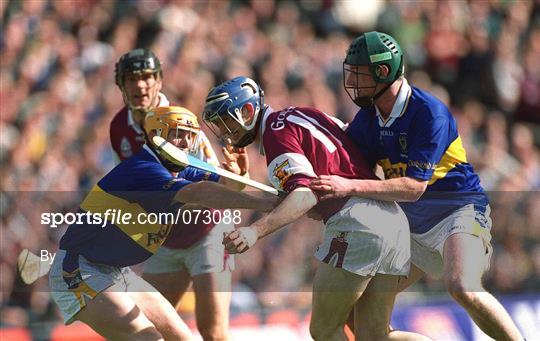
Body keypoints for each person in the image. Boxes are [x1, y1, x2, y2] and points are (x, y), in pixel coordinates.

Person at [310, 31, 523, 340]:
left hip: (458, 213)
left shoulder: (428, 113)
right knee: (365, 325)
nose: (352, 80)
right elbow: (351, 172)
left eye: (359, 72)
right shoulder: (368, 120)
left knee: (463, 286)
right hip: (407, 228)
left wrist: (346, 187)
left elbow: (413, 187)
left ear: (383, 72)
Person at [202, 76, 428, 340]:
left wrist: (254, 231)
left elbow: (305, 195)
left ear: (248, 111)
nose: (225, 132)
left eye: (227, 121)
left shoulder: (275, 133)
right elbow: (355, 151)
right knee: (373, 335)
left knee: (323, 330)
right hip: (391, 220)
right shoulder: (304, 114)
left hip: (356, 224)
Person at [49, 106, 278, 340]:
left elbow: (225, 187)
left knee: (182, 338)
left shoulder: (179, 170)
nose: (185, 142)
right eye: (178, 133)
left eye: (190, 135)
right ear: (156, 133)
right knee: (148, 337)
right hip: (80, 270)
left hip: (118, 273)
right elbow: (199, 193)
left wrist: (239, 176)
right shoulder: (145, 169)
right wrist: (266, 204)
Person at [112, 49, 237, 340]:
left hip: (207, 233)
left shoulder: (180, 120)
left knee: (213, 333)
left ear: (159, 81)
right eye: (132, 78)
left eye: (147, 77)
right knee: (151, 329)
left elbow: (219, 178)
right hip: (166, 241)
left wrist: (237, 178)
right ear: (121, 84)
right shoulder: (118, 128)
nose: (140, 85)